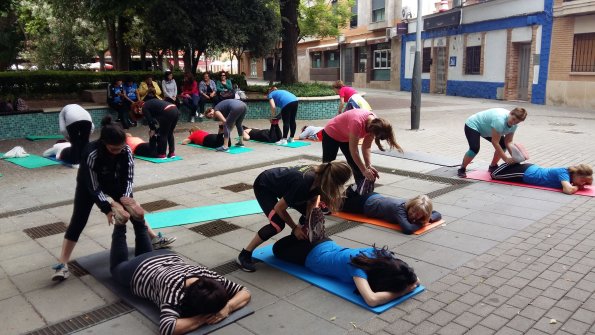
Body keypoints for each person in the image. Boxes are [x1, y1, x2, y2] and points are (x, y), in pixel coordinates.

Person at [51, 116, 176, 281]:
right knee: (78, 220)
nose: (118, 152)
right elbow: (93, 186)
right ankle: (62, 263)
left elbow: (129, 178)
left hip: (114, 181)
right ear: (104, 143)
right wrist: (107, 208)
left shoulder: (126, 151)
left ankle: (154, 239)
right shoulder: (91, 153)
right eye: (113, 149)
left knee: (133, 210)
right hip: (88, 184)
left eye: (120, 148)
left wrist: (125, 199)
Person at [109, 215, 251, 335]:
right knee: (116, 269)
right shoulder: (174, 293)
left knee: (146, 254)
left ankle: (139, 220)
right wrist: (202, 318)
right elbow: (167, 328)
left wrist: (228, 307)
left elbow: (244, 292)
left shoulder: (209, 278)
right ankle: (120, 224)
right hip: (139, 269)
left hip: (163, 254)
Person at [236, 161, 353, 272]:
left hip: (286, 186)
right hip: (265, 185)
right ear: (332, 180)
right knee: (277, 225)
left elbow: (312, 199)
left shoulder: (321, 177)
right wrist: (294, 228)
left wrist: (310, 216)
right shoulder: (303, 182)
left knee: (310, 215)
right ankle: (244, 255)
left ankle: (295, 240)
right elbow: (279, 208)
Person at [272, 233, 419, 307]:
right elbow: (372, 300)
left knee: (289, 241)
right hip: (306, 254)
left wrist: (410, 284)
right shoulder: (357, 267)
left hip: (324, 241)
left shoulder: (383, 255)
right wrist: (404, 290)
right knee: (276, 249)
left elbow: (415, 280)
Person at [323, 108, 403, 185]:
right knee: (328, 164)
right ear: (370, 129)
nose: (372, 136)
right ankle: (323, 187)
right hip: (332, 132)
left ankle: (361, 188)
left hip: (346, 136)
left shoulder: (376, 124)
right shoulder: (357, 122)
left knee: (355, 164)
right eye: (373, 135)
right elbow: (354, 151)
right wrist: (364, 170)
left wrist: (368, 166)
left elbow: (366, 147)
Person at [341, 184, 442, 235]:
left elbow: (437, 214)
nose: (414, 215)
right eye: (413, 211)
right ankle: (350, 191)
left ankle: (351, 191)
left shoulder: (416, 207)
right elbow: (408, 229)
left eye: (418, 214)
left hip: (374, 198)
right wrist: (423, 222)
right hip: (364, 204)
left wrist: (427, 218)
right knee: (339, 206)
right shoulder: (400, 209)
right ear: (411, 205)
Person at [457, 107, 527, 178]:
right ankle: (462, 169)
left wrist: (515, 157)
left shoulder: (514, 125)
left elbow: (508, 142)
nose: (513, 123)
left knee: (503, 145)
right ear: (510, 113)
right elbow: (495, 142)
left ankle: (493, 166)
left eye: (517, 122)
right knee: (474, 148)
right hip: (474, 125)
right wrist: (505, 159)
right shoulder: (499, 120)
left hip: (488, 129)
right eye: (513, 119)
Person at [491, 163, 592, 195]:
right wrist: (577, 187)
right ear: (577, 175)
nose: (583, 184)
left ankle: (513, 164)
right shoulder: (564, 172)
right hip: (526, 174)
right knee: (495, 175)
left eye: (585, 184)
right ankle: (509, 163)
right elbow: (568, 190)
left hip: (531, 169)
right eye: (583, 181)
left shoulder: (570, 177)